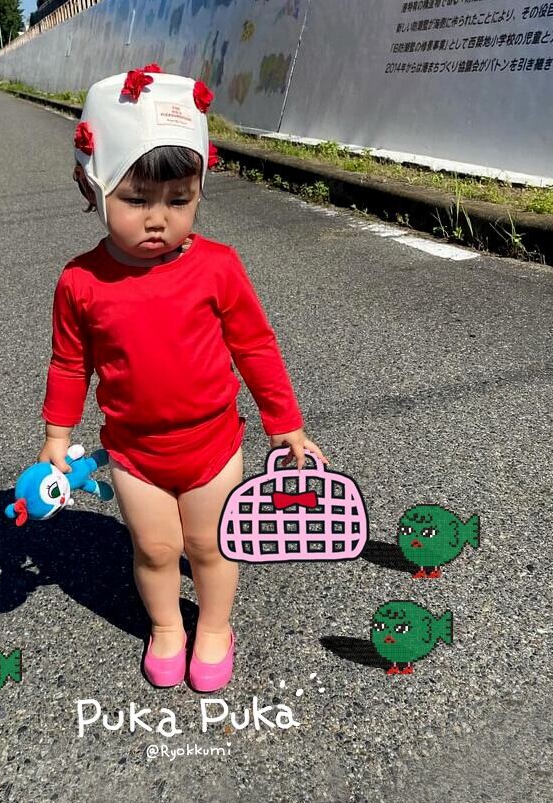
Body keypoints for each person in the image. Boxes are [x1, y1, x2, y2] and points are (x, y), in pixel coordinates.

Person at [37, 66, 326, 692]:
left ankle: (215, 628)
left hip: (213, 444)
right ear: (92, 186)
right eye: (136, 199)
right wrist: (58, 436)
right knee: (155, 548)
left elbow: (255, 345)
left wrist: (285, 424)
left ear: (199, 191)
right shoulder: (80, 282)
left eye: (179, 200)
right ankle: (167, 626)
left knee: (210, 545)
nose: (158, 219)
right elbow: (70, 362)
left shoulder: (218, 267)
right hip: (134, 451)